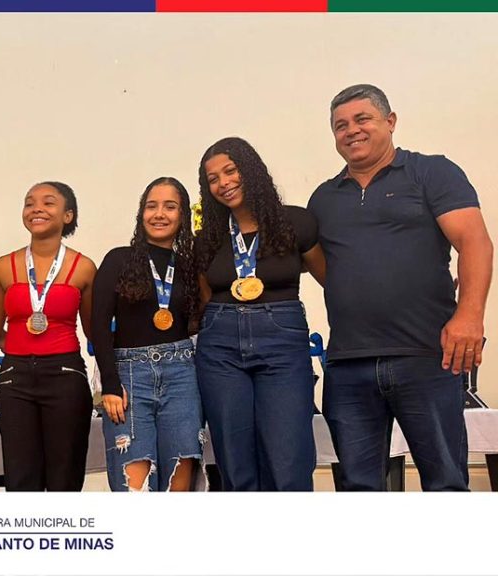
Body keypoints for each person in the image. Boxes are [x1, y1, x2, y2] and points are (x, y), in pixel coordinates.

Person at [309, 84, 493, 491]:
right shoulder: (323, 198)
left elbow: (475, 242)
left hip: (426, 357)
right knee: (359, 489)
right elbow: (330, 271)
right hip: (349, 365)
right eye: (341, 125)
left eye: (362, 119)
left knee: (445, 485)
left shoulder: (432, 172)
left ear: (390, 122)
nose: (351, 131)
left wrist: (469, 315)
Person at [195, 136, 326, 491]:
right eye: (213, 179)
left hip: (282, 345)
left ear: (250, 170)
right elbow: (202, 302)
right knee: (234, 461)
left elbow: (333, 281)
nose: (223, 183)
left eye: (230, 171)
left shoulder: (295, 222)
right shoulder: (207, 238)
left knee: (288, 460)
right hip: (220, 349)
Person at [0, 181, 96, 491]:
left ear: (68, 215)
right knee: (20, 479)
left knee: (64, 478)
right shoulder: (3, 267)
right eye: (29, 203)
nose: (36, 209)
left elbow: (94, 332)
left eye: (48, 202)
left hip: (65, 376)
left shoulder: (84, 267)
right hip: (14, 379)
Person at [92, 177, 203, 492]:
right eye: (151, 206)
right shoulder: (118, 259)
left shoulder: (189, 266)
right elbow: (99, 324)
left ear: (182, 215)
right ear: (141, 213)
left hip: (182, 376)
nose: (159, 214)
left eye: (170, 207)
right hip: (129, 379)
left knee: (179, 484)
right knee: (136, 486)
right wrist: (110, 385)